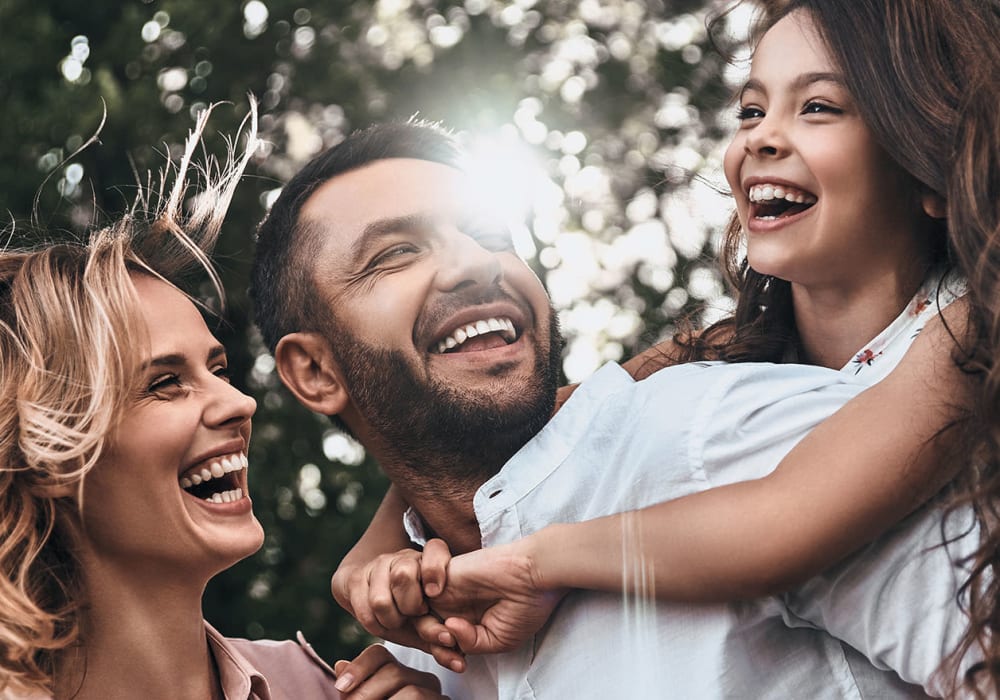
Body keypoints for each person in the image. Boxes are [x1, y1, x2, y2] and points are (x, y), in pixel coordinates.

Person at [247, 9, 983, 690]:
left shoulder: (965, 336)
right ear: (311, 372)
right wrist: (379, 549)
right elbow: (570, 414)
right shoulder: (714, 366)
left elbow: (787, 517)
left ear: (927, 163)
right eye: (751, 110)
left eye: (819, 106)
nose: (761, 136)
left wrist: (539, 562)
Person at [0, 105, 445, 700]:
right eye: (164, 383)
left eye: (217, 369)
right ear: (44, 446)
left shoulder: (319, 686)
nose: (240, 404)